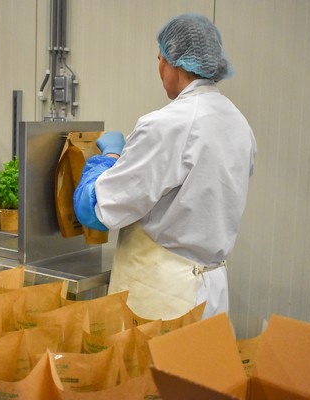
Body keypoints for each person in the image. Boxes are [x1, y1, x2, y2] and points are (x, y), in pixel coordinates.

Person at [74, 13, 257, 320]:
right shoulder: (238, 123)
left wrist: (110, 158)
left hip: (164, 295)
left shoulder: (167, 124)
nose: (159, 68)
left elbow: (98, 210)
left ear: (174, 62)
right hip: (211, 290)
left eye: (159, 58)